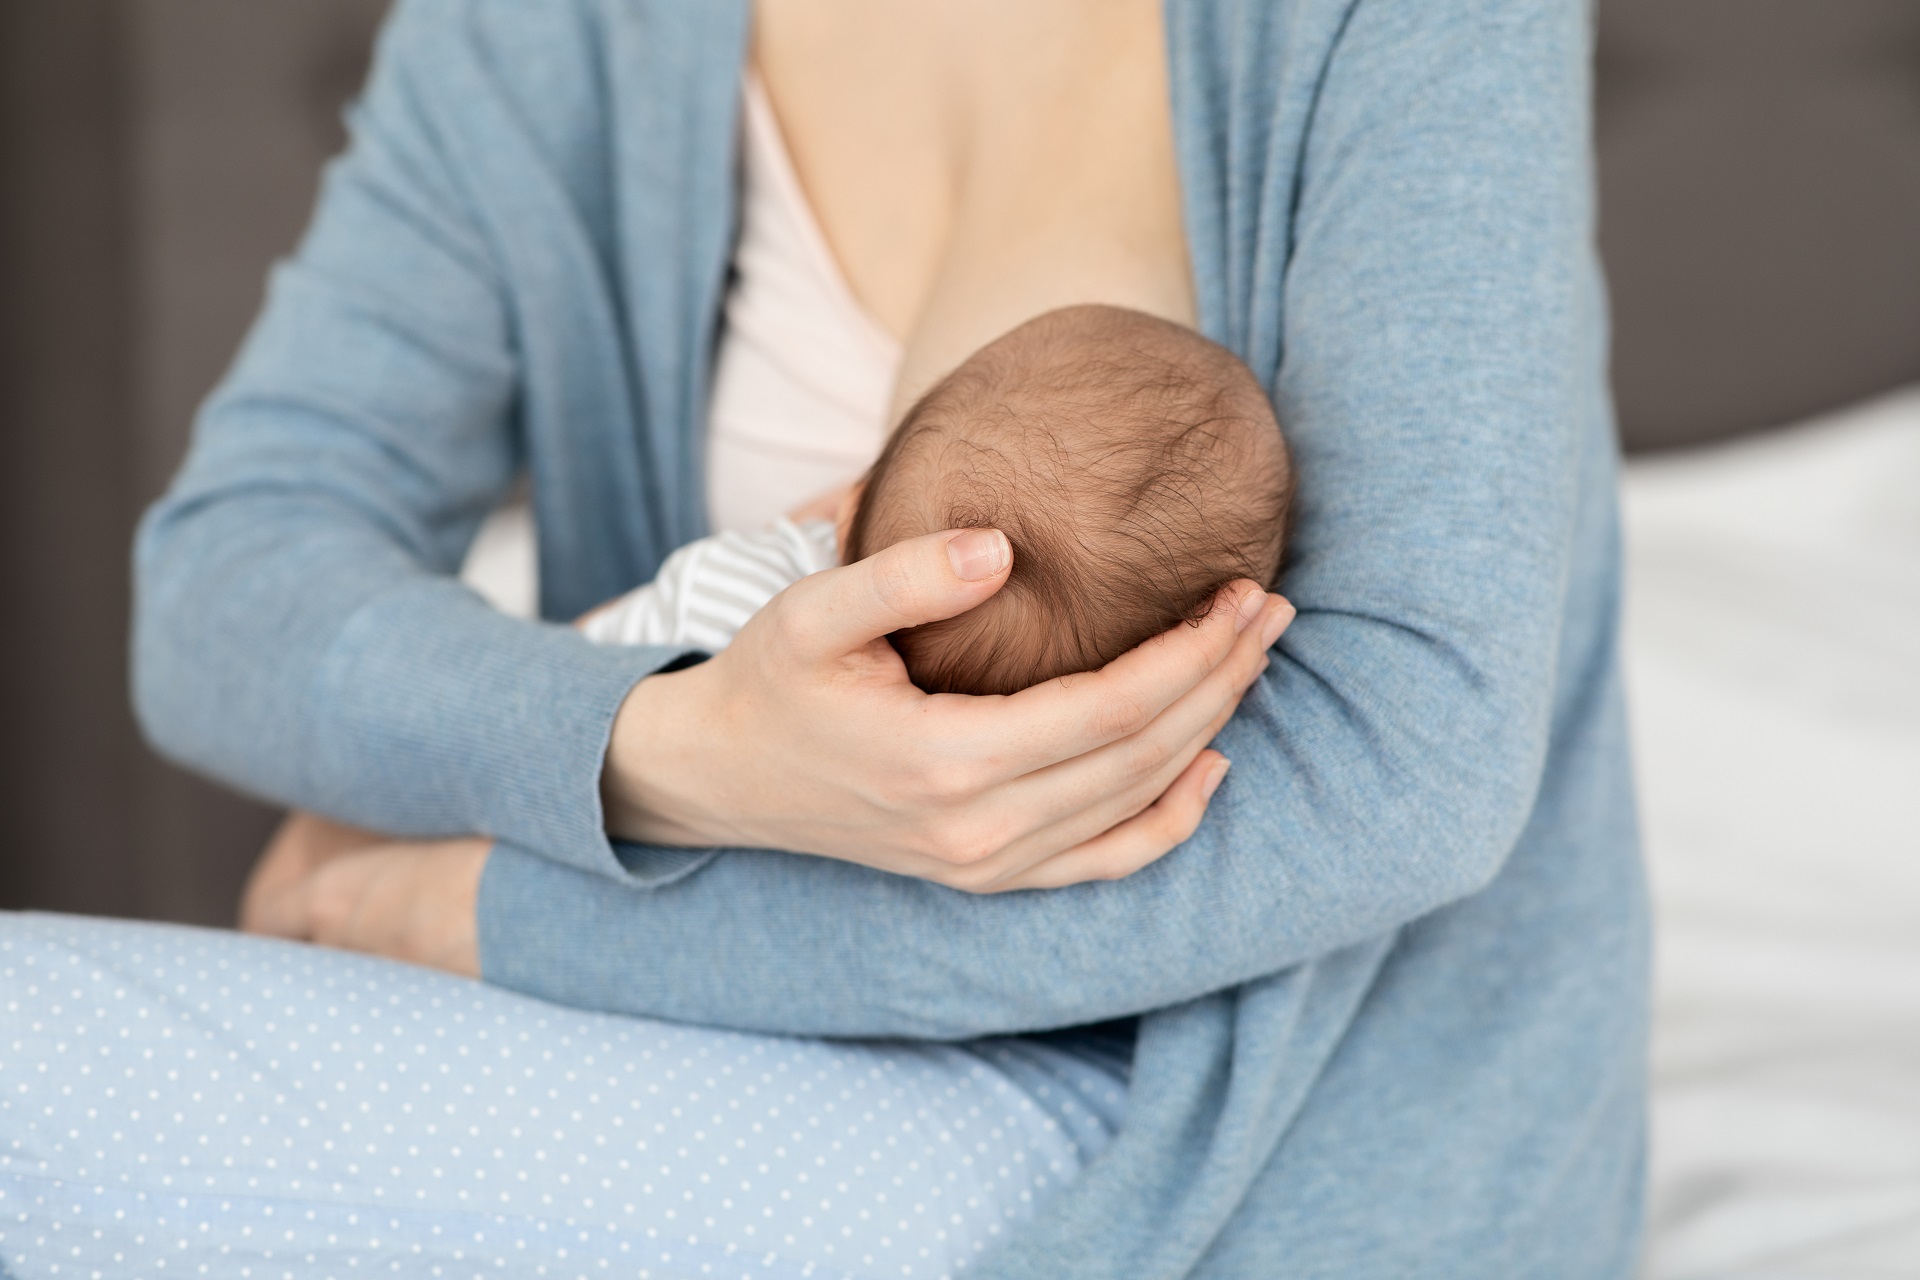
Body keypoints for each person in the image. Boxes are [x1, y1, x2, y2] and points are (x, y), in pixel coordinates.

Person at [0, 1, 1648, 1277]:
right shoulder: (562, 32)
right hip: (728, 1040)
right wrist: (670, 752)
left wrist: (491, 911)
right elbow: (228, 588)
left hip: (1230, 1139)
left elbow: (1405, 775)